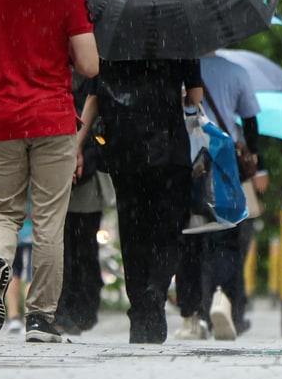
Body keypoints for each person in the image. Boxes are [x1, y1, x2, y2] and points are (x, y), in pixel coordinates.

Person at [0, 0, 99, 342]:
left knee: (2, 212)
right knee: (48, 221)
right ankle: (41, 318)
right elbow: (91, 66)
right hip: (54, 123)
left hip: (4, 122)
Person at [79, 59, 204, 344]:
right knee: (169, 229)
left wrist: (78, 143)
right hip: (169, 149)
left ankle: (139, 310)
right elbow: (195, 97)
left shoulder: (110, 38)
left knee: (133, 230)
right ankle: (156, 291)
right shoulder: (179, 35)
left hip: (124, 149)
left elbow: (95, 96)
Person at [183, 52, 267, 341]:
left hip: (191, 159)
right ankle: (227, 303)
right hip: (225, 158)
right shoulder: (237, 72)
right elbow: (251, 121)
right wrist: (256, 159)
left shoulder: (182, 67)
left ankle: (197, 311)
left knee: (195, 237)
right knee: (228, 239)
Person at [55, 138, 113, 336]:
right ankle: (77, 309)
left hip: (76, 186)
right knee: (81, 251)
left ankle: (73, 309)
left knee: (73, 251)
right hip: (78, 186)